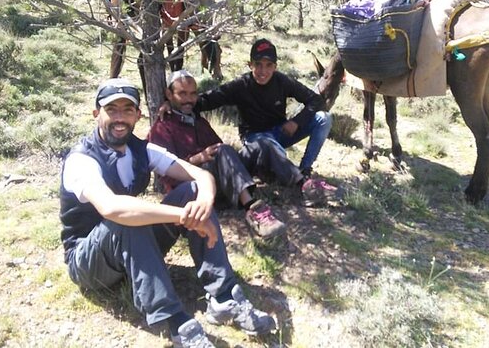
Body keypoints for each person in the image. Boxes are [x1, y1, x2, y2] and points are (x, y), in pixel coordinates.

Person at [59, 78, 275, 348]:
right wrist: (181, 216)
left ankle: (224, 297)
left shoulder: (141, 149)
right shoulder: (82, 159)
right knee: (126, 216)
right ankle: (177, 322)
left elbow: (197, 174)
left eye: (128, 110)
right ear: (96, 114)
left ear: (138, 115)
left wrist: (203, 202)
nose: (120, 118)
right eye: (111, 109)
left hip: (129, 248)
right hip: (88, 263)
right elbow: (112, 207)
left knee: (191, 191)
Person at [148, 69, 299, 239]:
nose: (189, 99)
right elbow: (166, 176)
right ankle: (252, 208)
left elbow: (221, 151)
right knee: (223, 151)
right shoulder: (162, 128)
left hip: (223, 179)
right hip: (199, 190)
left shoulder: (199, 121)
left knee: (261, 144)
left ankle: (302, 184)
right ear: (169, 94)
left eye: (193, 94)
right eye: (182, 93)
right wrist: (198, 158)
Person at [197, 38, 337, 197]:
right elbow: (210, 99)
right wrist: (174, 102)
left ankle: (304, 170)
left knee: (324, 118)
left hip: (280, 132)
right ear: (250, 65)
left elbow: (315, 100)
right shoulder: (241, 85)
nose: (263, 71)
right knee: (270, 147)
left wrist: (297, 122)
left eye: (269, 65)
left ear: (275, 66)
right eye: (258, 65)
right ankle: (289, 178)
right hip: (255, 139)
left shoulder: (282, 81)